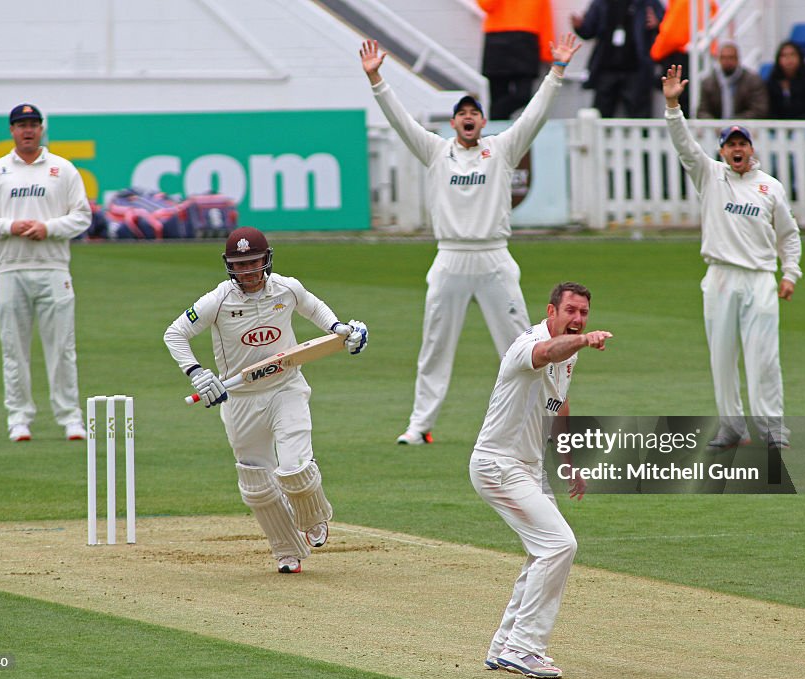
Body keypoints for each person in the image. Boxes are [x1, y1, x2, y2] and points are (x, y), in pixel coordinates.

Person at [360, 35, 582, 446]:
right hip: (449, 259)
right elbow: (402, 122)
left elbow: (534, 116)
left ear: (483, 122)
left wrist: (557, 71)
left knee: (526, 345)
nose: (467, 118)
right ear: (453, 123)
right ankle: (420, 426)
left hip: (495, 259)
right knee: (435, 346)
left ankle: (543, 421)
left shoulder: (501, 149)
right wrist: (378, 81)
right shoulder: (435, 151)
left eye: (474, 113)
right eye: (461, 113)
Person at [163, 227, 368, 574]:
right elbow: (175, 333)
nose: (247, 272)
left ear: (266, 260)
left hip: (286, 387)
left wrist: (338, 329)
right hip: (240, 399)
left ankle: (312, 517)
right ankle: (288, 550)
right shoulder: (217, 300)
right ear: (229, 266)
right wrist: (197, 372)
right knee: (257, 486)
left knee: (294, 469)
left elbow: (313, 306)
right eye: (239, 265)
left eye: (253, 263)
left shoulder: (287, 289)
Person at [472, 282, 612, 679]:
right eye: (570, 311)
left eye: (584, 312)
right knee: (560, 545)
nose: (578, 319)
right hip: (498, 465)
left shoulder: (568, 356)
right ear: (551, 312)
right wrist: (583, 340)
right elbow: (546, 353)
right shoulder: (528, 345)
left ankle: (504, 647)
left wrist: (568, 461)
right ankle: (524, 648)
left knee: (542, 553)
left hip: (529, 468)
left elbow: (560, 404)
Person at [661, 65, 801, 449]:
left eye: (742, 144)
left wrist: (790, 273)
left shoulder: (769, 187)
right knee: (722, 359)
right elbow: (685, 146)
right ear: (722, 150)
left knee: (764, 360)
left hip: (759, 278)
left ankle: (773, 429)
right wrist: (673, 105)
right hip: (720, 275)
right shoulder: (710, 176)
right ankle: (732, 426)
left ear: (751, 149)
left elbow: (788, 235)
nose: (737, 150)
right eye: (730, 145)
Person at [0, 104, 92, 443]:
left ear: (41, 129)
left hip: (53, 267)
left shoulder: (62, 169)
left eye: (33, 125)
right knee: (14, 347)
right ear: (12, 130)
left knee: (62, 347)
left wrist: (47, 228)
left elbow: (82, 216)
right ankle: (19, 419)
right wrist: (9, 225)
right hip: (10, 268)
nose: (27, 130)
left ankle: (70, 419)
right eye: (21, 125)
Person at [571, 0, 664, 118]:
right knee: (601, 114)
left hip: (636, 69)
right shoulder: (601, 3)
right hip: (607, 68)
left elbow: (666, 27)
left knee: (639, 115)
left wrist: (659, 24)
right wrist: (579, 27)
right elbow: (588, 30)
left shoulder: (648, 2)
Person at [478, 0, 555, 119]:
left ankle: (495, 117)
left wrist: (548, 53)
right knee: (498, 94)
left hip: (526, 41)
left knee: (523, 95)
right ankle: (497, 130)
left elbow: (545, 20)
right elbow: (485, 5)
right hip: (497, 40)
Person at [649, 0, 718, 117]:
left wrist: (656, 52)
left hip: (681, 57)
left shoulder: (683, 2)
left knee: (681, 105)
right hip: (696, 54)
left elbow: (672, 35)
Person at [697, 41, 769, 119]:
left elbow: (759, 110)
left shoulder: (753, 80)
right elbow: (702, 111)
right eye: (723, 57)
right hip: (716, 130)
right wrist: (716, 125)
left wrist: (733, 123)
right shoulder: (708, 83)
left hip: (745, 129)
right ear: (719, 59)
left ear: (738, 59)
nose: (727, 61)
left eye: (730, 57)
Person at [765, 41, 805, 120]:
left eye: (792, 55)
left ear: (800, 58)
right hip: (778, 129)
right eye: (784, 55)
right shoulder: (771, 84)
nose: (789, 59)